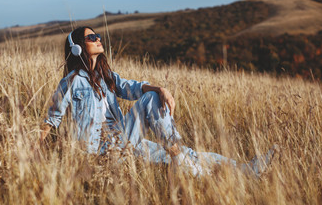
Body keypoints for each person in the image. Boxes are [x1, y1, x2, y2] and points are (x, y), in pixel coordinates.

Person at [40, 26, 278, 177]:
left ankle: (246, 170)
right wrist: (35, 152)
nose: (98, 38)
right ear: (77, 48)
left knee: (188, 153)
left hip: (123, 142)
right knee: (151, 101)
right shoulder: (72, 82)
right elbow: (52, 118)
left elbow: (129, 87)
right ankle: (180, 161)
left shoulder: (106, 78)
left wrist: (160, 87)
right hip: (98, 151)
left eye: (98, 35)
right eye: (92, 37)